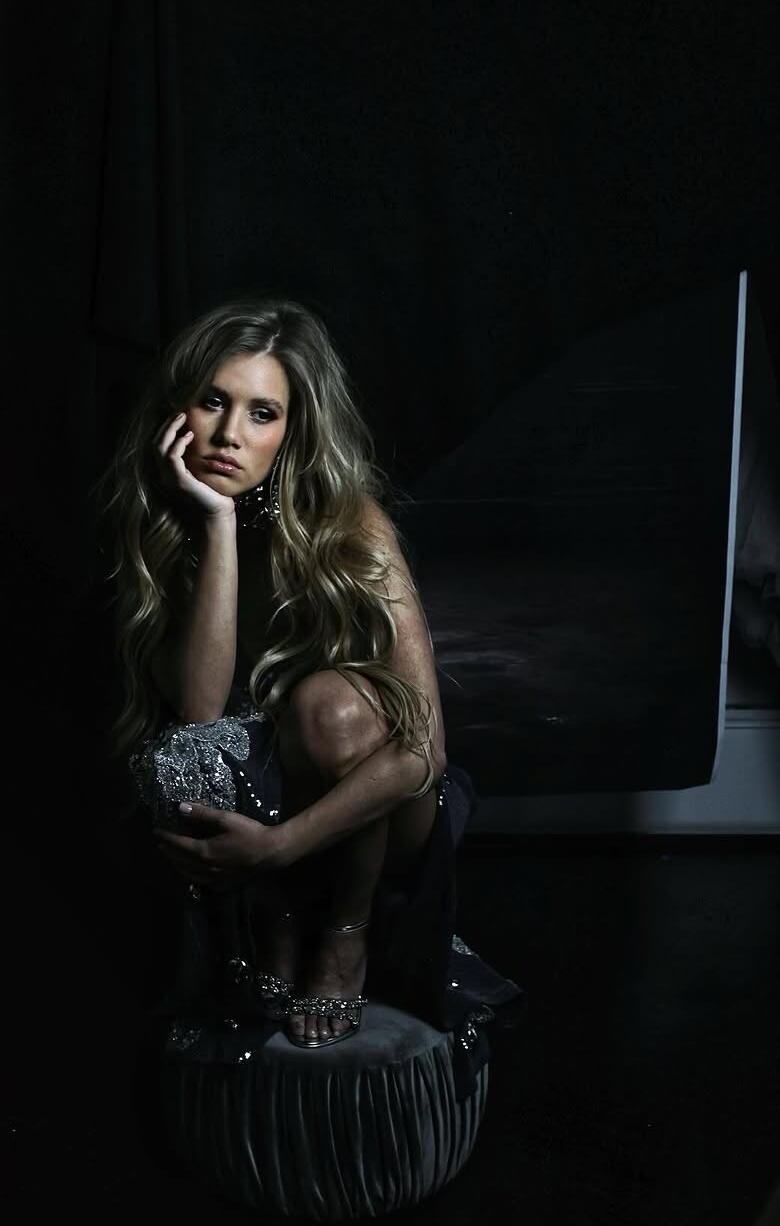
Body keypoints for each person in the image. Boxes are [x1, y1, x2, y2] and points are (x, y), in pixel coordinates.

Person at [98, 296, 520, 1054]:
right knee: (192, 752)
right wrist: (217, 523)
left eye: (262, 413)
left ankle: (343, 936)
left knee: (331, 708)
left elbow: (424, 751)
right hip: (267, 790)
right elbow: (199, 710)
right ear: (177, 413)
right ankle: (282, 918)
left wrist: (280, 846)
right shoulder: (164, 531)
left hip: (384, 802)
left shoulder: (351, 524)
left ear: (293, 432)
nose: (230, 434)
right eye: (213, 402)